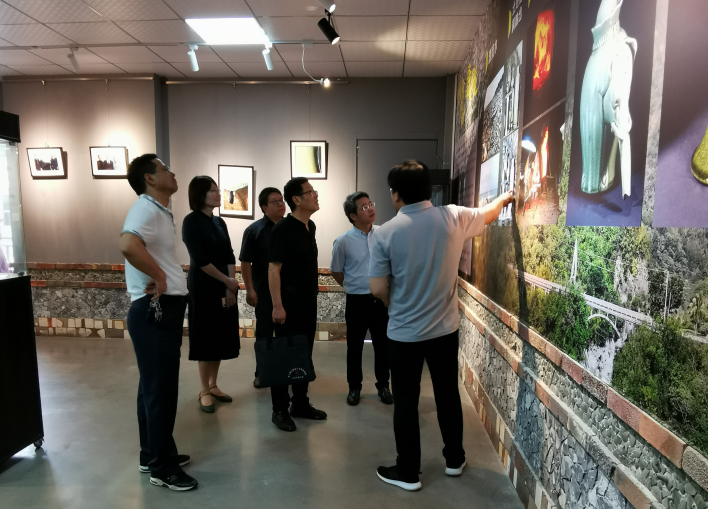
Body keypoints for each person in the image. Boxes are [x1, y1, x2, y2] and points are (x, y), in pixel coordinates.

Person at [369, 160, 514, 492]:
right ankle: (454, 459)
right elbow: (488, 214)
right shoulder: (453, 216)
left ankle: (408, 471)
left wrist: (393, 302)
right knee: (447, 393)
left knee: (406, 400)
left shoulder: (385, 233)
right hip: (444, 330)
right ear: (427, 189)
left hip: (404, 333)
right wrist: (505, 198)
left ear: (395, 195)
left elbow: (376, 288)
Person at [118, 154, 197, 491]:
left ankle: (151, 453)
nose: (172, 172)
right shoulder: (145, 208)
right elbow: (128, 244)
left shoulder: (159, 210)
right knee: (161, 390)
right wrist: (160, 277)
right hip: (155, 310)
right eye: (165, 169)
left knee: (152, 388)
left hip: (160, 309)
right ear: (149, 178)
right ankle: (162, 468)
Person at [267, 177, 327, 432]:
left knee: (304, 354)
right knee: (285, 355)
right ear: (296, 199)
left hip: (308, 300)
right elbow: (273, 269)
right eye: (310, 192)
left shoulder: (309, 226)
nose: (315, 195)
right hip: (289, 301)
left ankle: (300, 403)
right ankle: (279, 409)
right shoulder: (283, 229)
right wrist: (277, 306)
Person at [182, 176, 241, 414]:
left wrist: (230, 286)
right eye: (212, 191)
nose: (218, 194)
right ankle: (203, 390)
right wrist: (227, 281)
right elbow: (200, 259)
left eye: (218, 190)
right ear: (200, 194)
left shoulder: (219, 222)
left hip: (223, 285)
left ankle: (214, 385)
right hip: (204, 286)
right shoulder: (191, 221)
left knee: (219, 336)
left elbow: (229, 255)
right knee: (205, 337)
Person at [330, 192, 392, 406]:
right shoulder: (343, 241)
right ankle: (354, 387)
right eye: (364, 207)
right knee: (354, 346)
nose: (371, 208)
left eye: (370, 204)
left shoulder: (384, 234)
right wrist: (351, 286)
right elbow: (336, 271)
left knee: (382, 345)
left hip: (380, 300)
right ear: (353, 216)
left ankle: (383, 385)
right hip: (356, 301)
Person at [239, 187, 286, 389]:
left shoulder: (290, 227)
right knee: (264, 334)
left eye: (282, 200)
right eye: (275, 201)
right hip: (264, 292)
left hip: (288, 292)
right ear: (264, 207)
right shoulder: (254, 230)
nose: (281, 204)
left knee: (286, 335)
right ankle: (262, 373)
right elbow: (245, 262)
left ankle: (286, 370)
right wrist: (249, 289)